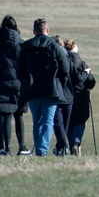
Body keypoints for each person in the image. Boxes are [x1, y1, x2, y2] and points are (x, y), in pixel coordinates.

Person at [16, 18, 70, 157]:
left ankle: (41, 148)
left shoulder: (26, 47)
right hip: (51, 89)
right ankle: (42, 150)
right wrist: (61, 83)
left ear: (34, 31)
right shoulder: (54, 46)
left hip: (33, 89)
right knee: (48, 121)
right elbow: (65, 68)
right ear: (47, 30)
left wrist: (26, 81)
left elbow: (19, 70)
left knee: (37, 122)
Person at [0, 15, 29, 156]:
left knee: (6, 115)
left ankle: (6, 148)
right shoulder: (21, 44)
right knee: (19, 115)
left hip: (0, 84)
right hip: (19, 84)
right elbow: (27, 67)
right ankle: (22, 147)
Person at [64, 39, 94, 156]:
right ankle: (77, 142)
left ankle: (72, 147)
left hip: (67, 97)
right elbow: (91, 83)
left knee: (69, 123)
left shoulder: (64, 63)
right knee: (80, 121)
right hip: (81, 98)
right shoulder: (82, 64)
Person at [50, 34, 79, 156]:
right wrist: (85, 74)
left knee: (59, 125)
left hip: (55, 95)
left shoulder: (50, 58)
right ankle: (64, 147)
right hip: (66, 96)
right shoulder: (66, 58)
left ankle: (61, 147)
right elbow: (75, 77)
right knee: (63, 125)